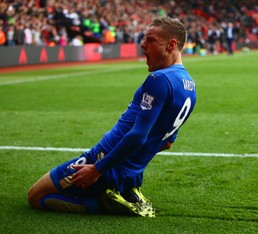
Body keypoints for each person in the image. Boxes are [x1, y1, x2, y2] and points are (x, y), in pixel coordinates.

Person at [28, 16, 197, 217]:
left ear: (171, 45)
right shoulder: (190, 87)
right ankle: (123, 192)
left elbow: (138, 135)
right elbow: (167, 143)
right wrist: (134, 165)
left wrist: (97, 169)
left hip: (103, 160)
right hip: (132, 173)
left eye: (150, 40)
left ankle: (105, 204)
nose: (142, 44)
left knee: (35, 196)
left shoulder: (159, 79)